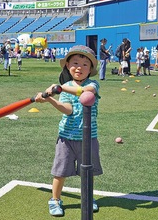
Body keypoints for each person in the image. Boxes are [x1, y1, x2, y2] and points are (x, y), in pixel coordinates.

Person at [34, 45, 103, 217]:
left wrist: (60, 88)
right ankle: (55, 200)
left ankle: (88, 198)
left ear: (91, 69)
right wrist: (50, 99)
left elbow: (86, 92)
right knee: (60, 171)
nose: (79, 67)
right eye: (75, 63)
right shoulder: (65, 86)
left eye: (85, 64)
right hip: (66, 137)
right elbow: (67, 109)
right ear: (67, 66)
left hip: (89, 137)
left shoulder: (93, 84)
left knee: (87, 173)